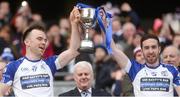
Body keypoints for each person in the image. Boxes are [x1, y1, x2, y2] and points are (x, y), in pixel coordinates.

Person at [0, 7, 82, 97]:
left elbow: (74, 51)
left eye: (45, 40)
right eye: (39, 39)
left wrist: (74, 24)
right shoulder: (13, 66)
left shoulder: (50, 63)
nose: (43, 42)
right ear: (27, 42)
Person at [109, 34, 180, 97]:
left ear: (159, 49)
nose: (150, 51)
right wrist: (105, 28)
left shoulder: (172, 69)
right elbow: (114, 50)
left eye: (153, 47)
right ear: (142, 51)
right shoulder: (134, 68)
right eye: (146, 48)